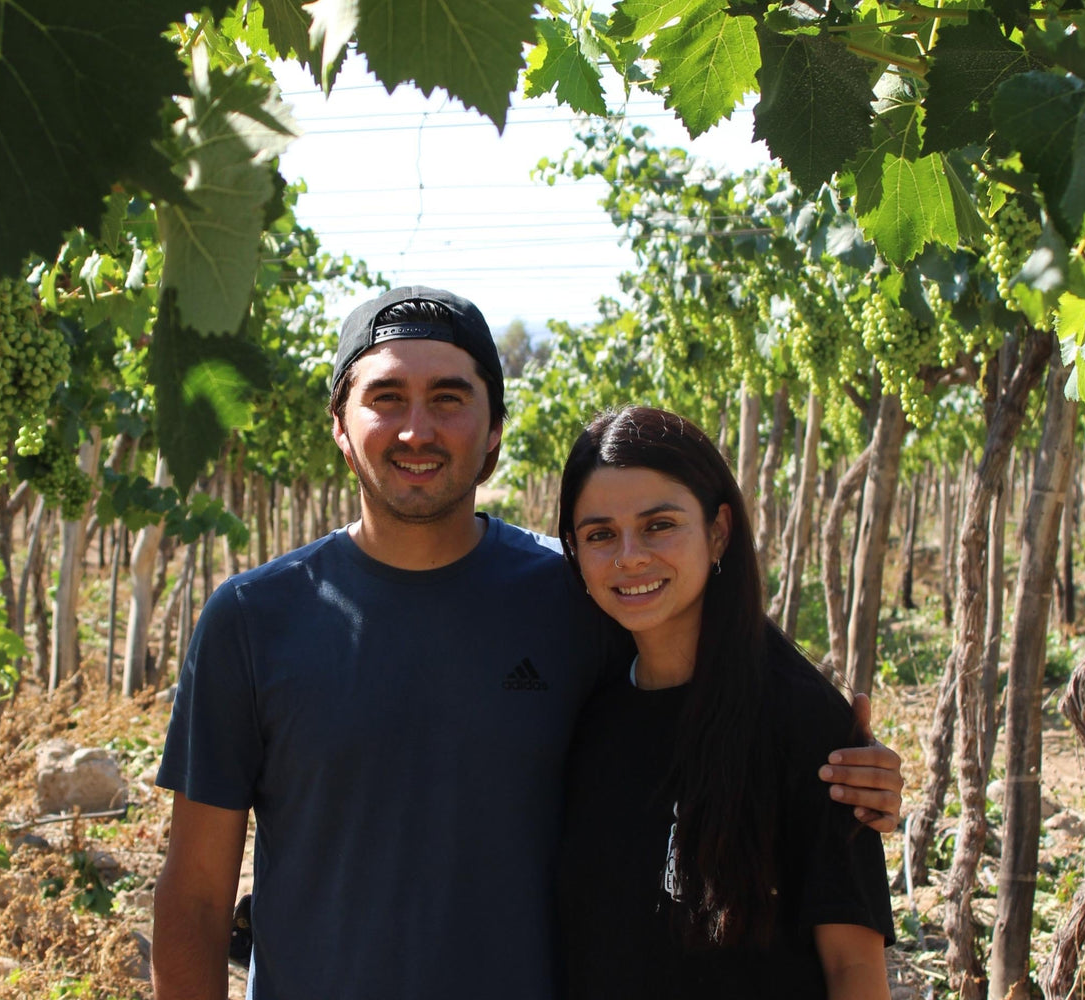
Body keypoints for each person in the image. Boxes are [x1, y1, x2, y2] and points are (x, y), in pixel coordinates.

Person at [151, 287, 904, 1000]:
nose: (417, 429)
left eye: (450, 398)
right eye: (386, 397)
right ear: (341, 429)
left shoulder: (577, 597)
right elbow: (197, 897)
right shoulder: (251, 621)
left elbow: (719, 671)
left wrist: (837, 762)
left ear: (494, 434)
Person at [556, 405, 893, 999]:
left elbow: (853, 967)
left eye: (659, 525)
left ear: (719, 530)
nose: (629, 555)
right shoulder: (584, 706)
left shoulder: (803, 721)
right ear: (575, 553)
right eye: (600, 534)